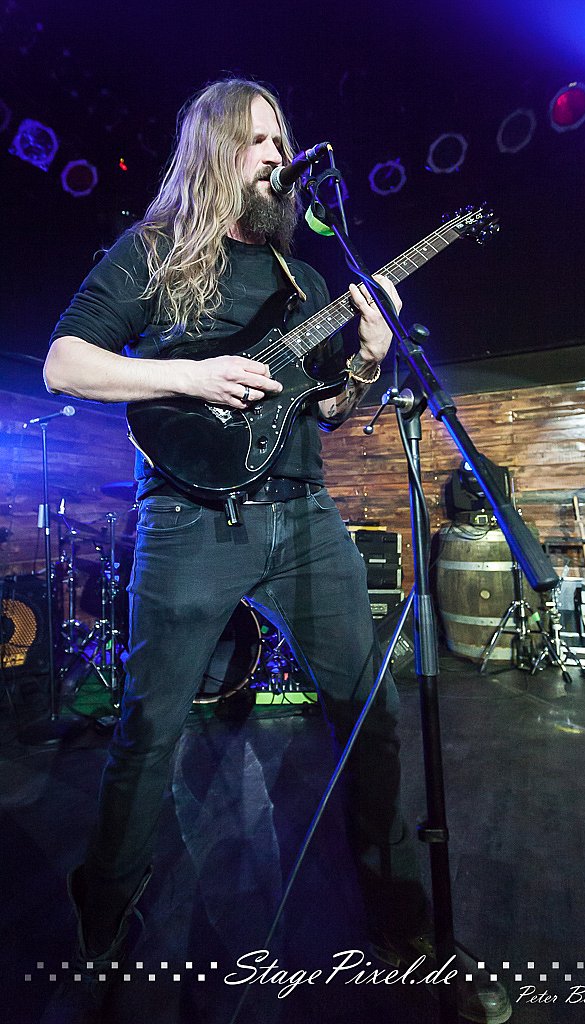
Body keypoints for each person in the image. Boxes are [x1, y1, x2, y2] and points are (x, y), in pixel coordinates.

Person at [43, 78, 511, 1024]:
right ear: (215, 148)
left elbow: (328, 410)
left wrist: (368, 359)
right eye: (257, 140)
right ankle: (104, 905)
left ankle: (402, 923)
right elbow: (65, 362)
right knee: (149, 733)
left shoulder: (306, 281)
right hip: (189, 522)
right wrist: (189, 374)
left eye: (281, 139)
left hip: (302, 517)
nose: (276, 155)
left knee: (370, 717)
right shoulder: (154, 253)